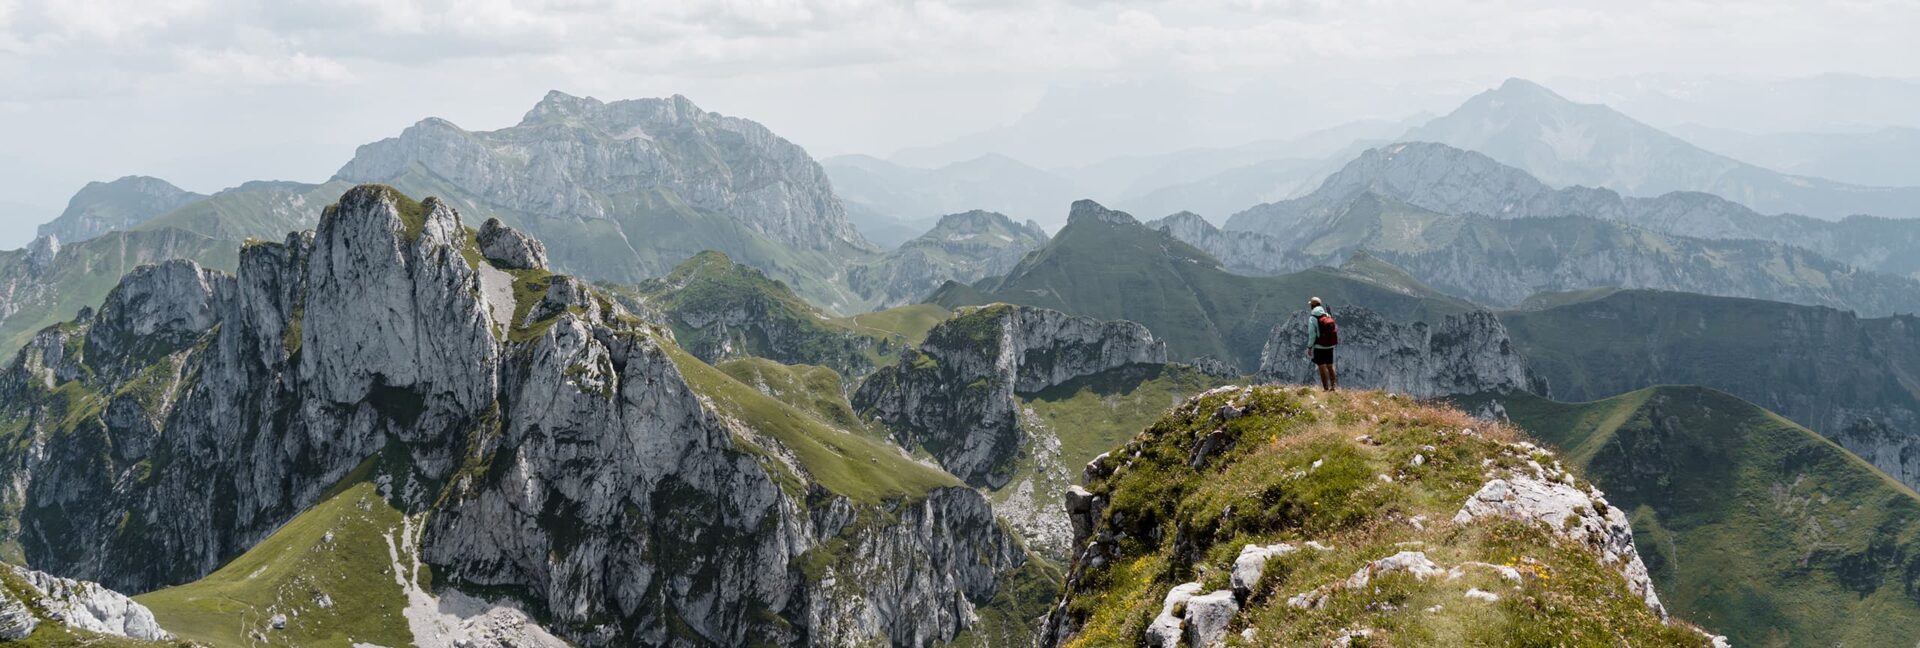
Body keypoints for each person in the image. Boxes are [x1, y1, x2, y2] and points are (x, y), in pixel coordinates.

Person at [1304, 297, 1338, 391]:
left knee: (1321, 367)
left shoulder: (1313, 318)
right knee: (1330, 366)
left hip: (1319, 346)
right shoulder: (1327, 315)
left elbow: (1312, 334)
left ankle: (1325, 388)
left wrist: (1310, 347)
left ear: (1312, 306)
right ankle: (1333, 387)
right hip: (1330, 345)